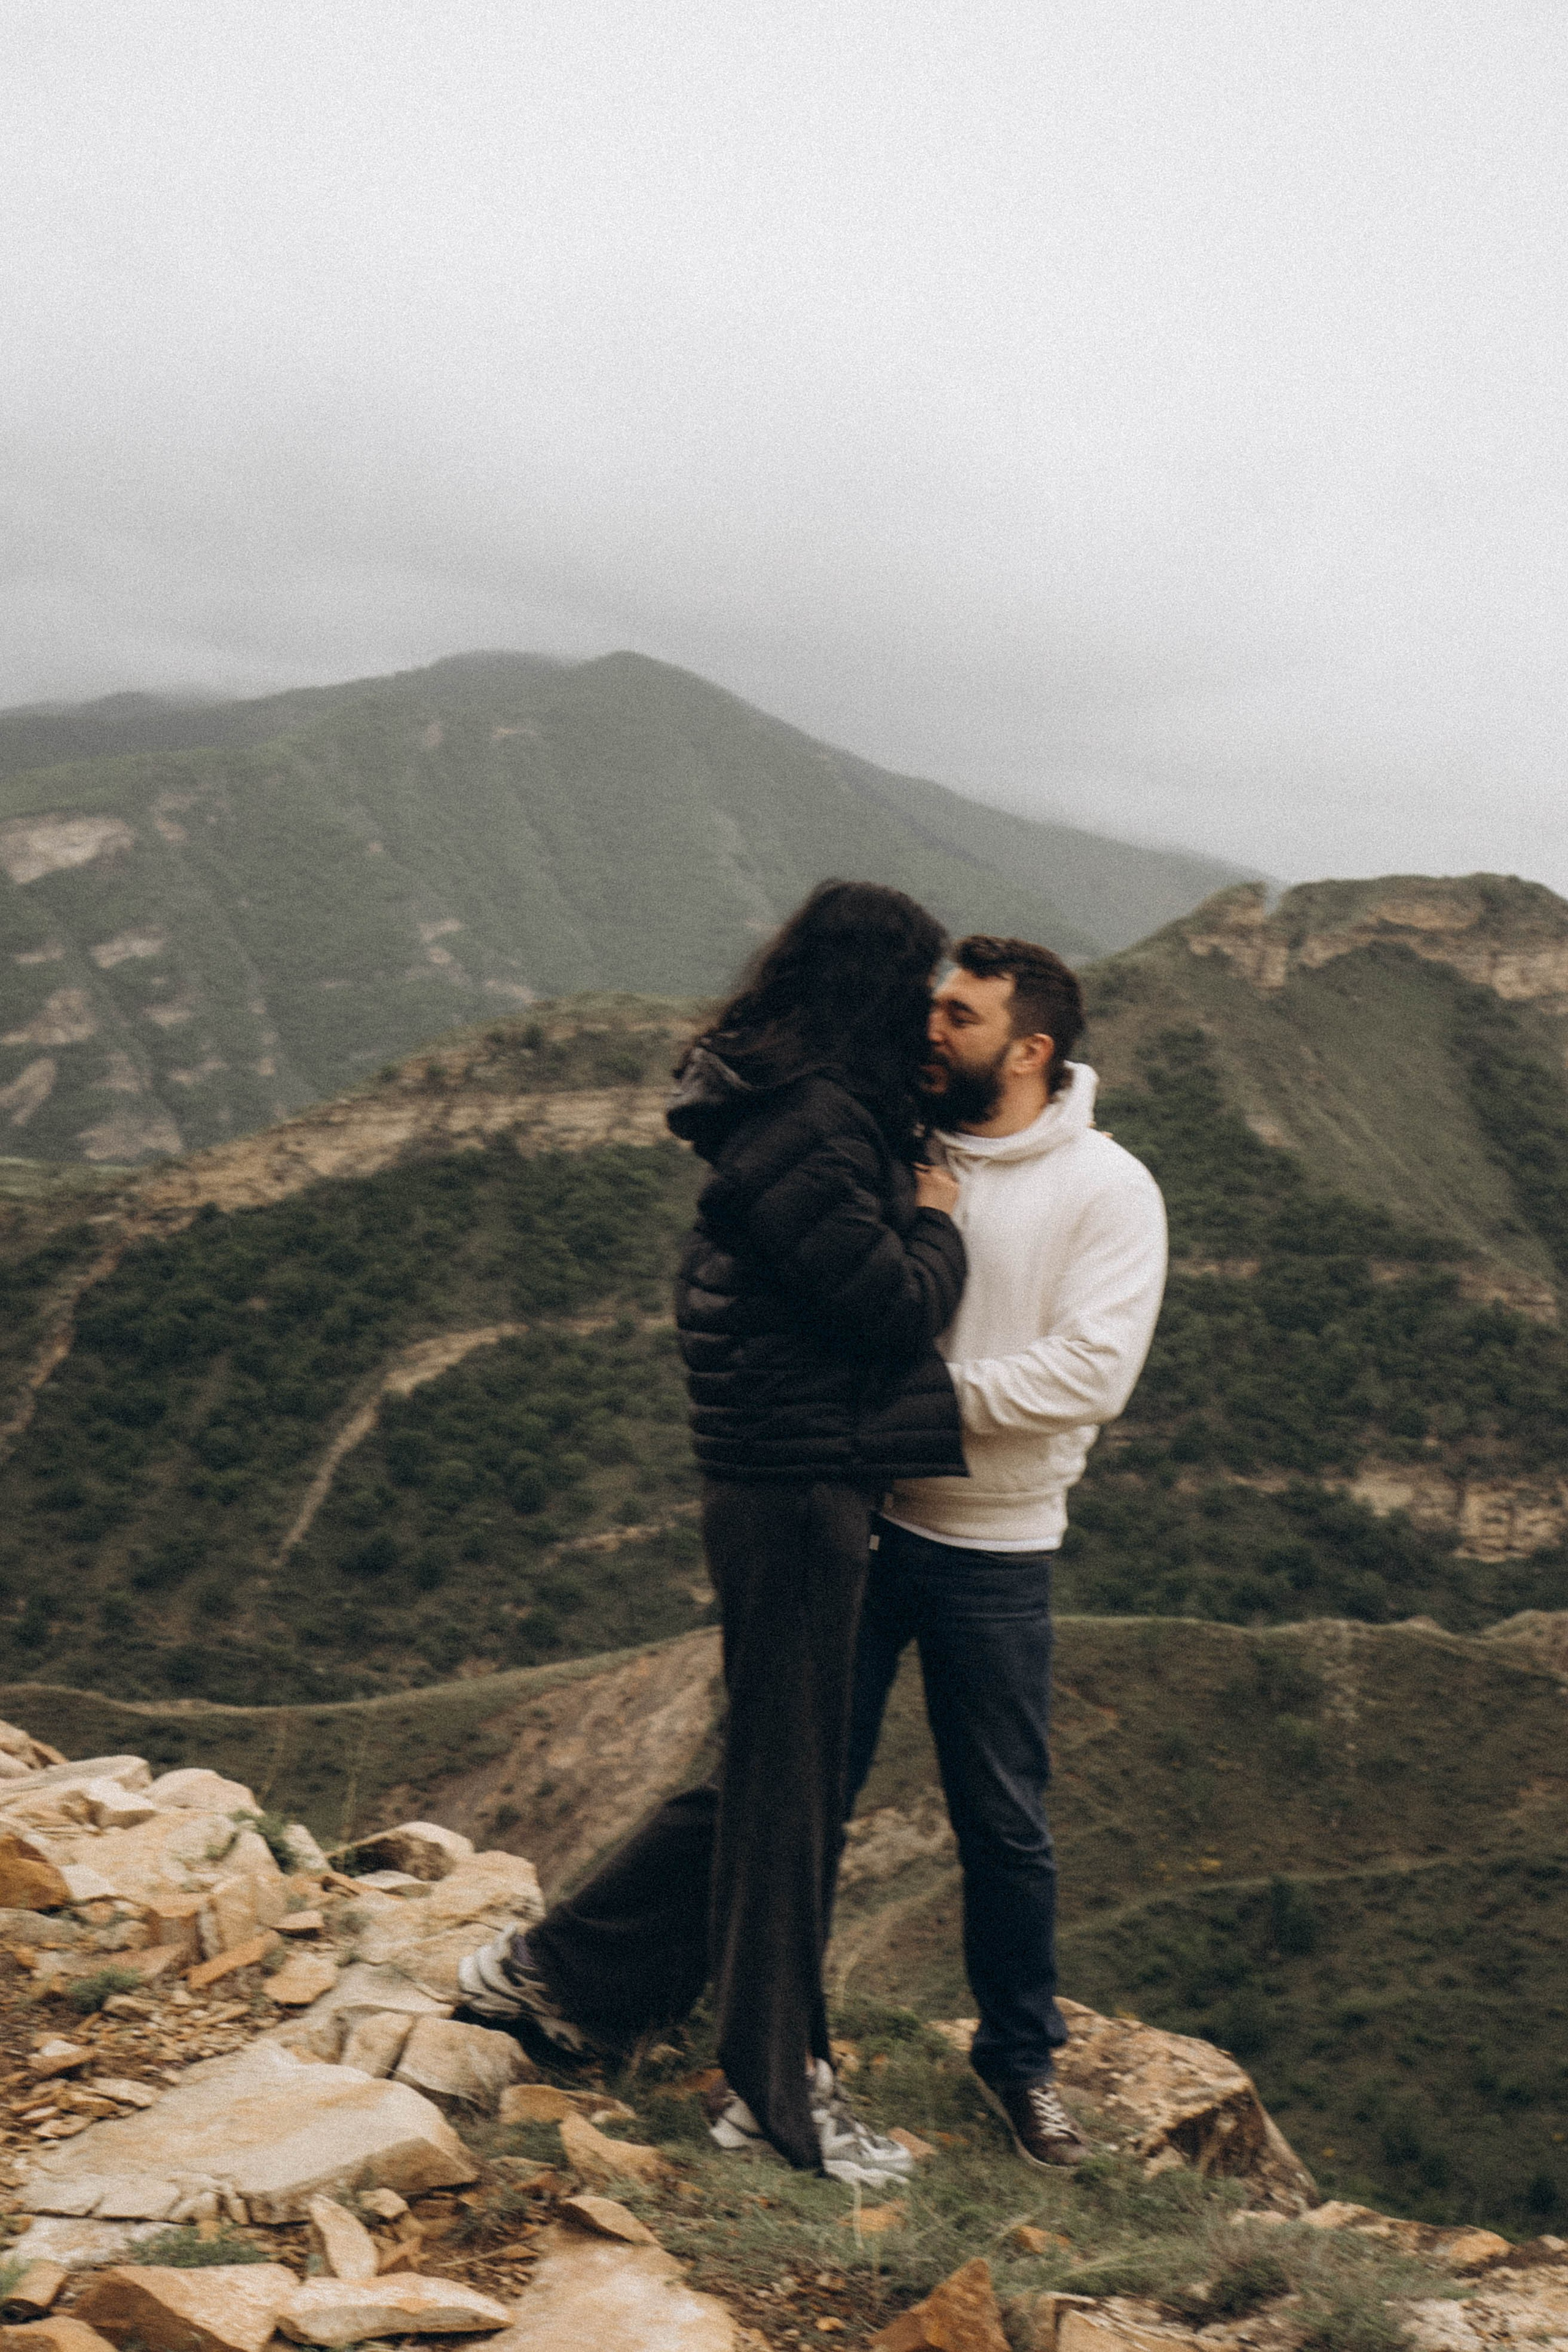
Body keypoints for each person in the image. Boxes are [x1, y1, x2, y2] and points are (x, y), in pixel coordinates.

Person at [458, 881, 970, 2183]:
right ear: (873, 988)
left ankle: (552, 1970)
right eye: (918, 989)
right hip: (795, 1487)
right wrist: (941, 1224)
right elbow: (886, 1311)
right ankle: (773, 2096)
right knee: (789, 1801)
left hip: (791, 1476)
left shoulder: (798, 1111)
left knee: (767, 1774)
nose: (927, 1014)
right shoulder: (809, 1125)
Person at [843, 934, 1167, 2169]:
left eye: (960, 1018)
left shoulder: (1107, 1187)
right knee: (806, 1790)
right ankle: (779, 2030)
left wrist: (917, 1406)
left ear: (1029, 1050)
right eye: (934, 1008)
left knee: (1001, 1824)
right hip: (866, 1525)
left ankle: (1019, 2066)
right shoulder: (899, 1153)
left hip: (996, 1547)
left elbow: (1092, 1371)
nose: (931, 1031)